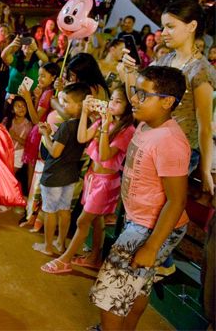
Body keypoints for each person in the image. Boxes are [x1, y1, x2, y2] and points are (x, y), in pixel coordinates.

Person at [89, 66, 190, 330]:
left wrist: (152, 246)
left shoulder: (170, 141)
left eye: (143, 94)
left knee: (110, 293)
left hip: (150, 229)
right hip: (141, 221)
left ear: (168, 102)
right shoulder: (146, 124)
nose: (134, 98)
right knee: (138, 285)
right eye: (135, 91)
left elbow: (177, 200)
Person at [121, 0, 216, 196]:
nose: (163, 33)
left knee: (157, 207)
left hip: (178, 153)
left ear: (191, 26)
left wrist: (205, 170)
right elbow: (137, 100)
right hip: (149, 145)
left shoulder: (201, 71)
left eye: (170, 27)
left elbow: (204, 125)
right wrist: (130, 72)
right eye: (163, 26)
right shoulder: (165, 60)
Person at [41, 86, 135, 274]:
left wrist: (105, 128)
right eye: (111, 100)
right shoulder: (103, 121)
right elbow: (82, 136)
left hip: (106, 182)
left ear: (128, 107)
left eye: (118, 101)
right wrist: (85, 113)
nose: (112, 104)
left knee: (83, 221)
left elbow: (105, 154)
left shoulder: (127, 130)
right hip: (92, 178)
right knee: (96, 220)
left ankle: (65, 260)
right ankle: (94, 258)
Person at [33, 83, 90, 256]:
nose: (62, 105)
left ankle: (48, 246)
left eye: (66, 102)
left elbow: (55, 152)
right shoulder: (86, 124)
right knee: (65, 210)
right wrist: (51, 133)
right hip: (70, 174)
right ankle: (60, 243)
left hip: (55, 174)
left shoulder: (66, 126)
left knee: (50, 211)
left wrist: (45, 135)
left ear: (80, 105)